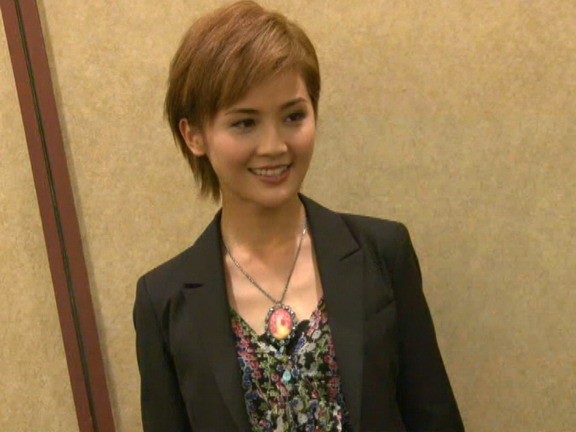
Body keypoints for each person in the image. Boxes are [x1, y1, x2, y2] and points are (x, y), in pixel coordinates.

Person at [133, 1, 465, 431]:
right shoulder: (163, 300)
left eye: (293, 116)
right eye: (245, 123)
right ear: (194, 135)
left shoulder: (382, 254)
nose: (274, 146)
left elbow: (434, 417)